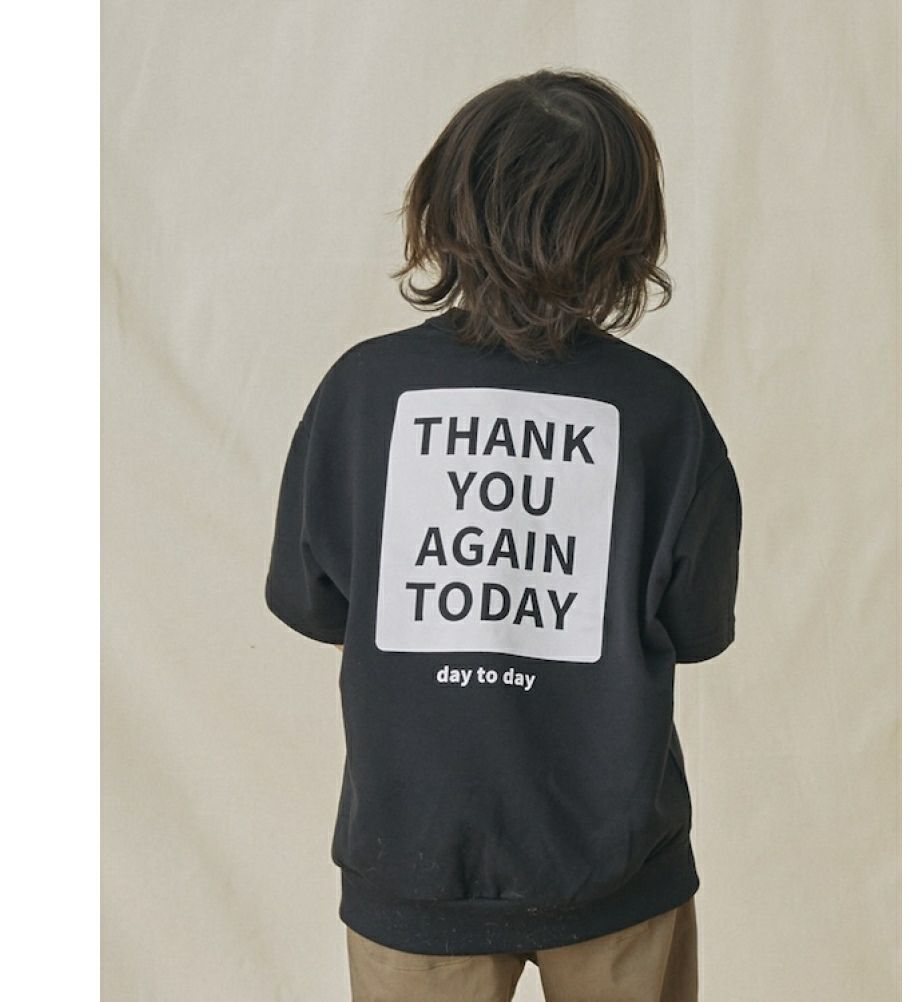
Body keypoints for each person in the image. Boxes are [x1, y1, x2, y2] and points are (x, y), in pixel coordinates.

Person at [265, 68, 742, 1002]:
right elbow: (696, 627)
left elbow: (312, 601)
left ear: (444, 208)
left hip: (411, 857)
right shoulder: (663, 414)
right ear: (629, 228)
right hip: (615, 861)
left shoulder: (362, 393)